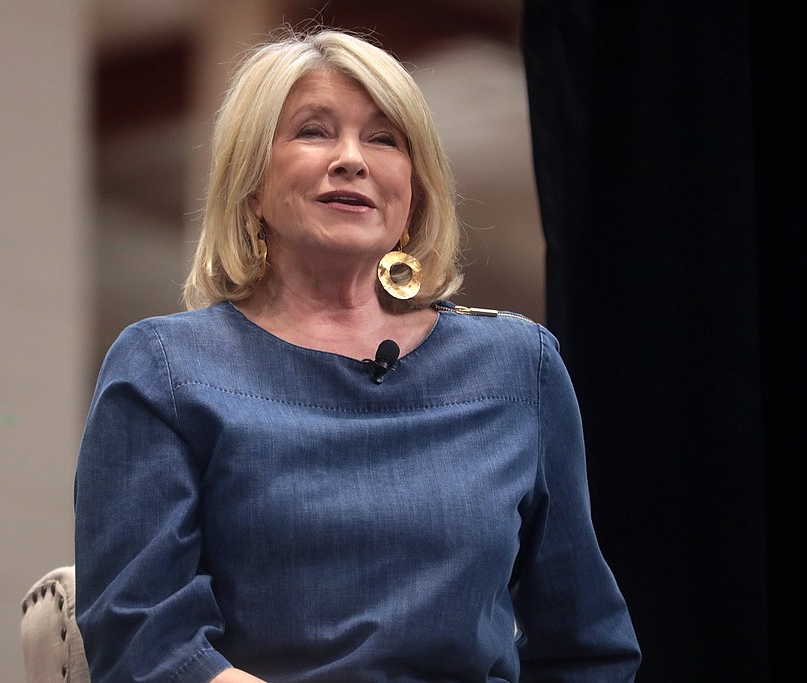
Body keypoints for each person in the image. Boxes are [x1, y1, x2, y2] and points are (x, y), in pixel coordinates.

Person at [74, 27, 640, 683]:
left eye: (383, 138)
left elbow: (587, 645)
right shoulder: (165, 368)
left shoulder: (520, 366)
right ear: (251, 185)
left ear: (413, 192)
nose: (353, 159)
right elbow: (144, 639)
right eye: (314, 131)